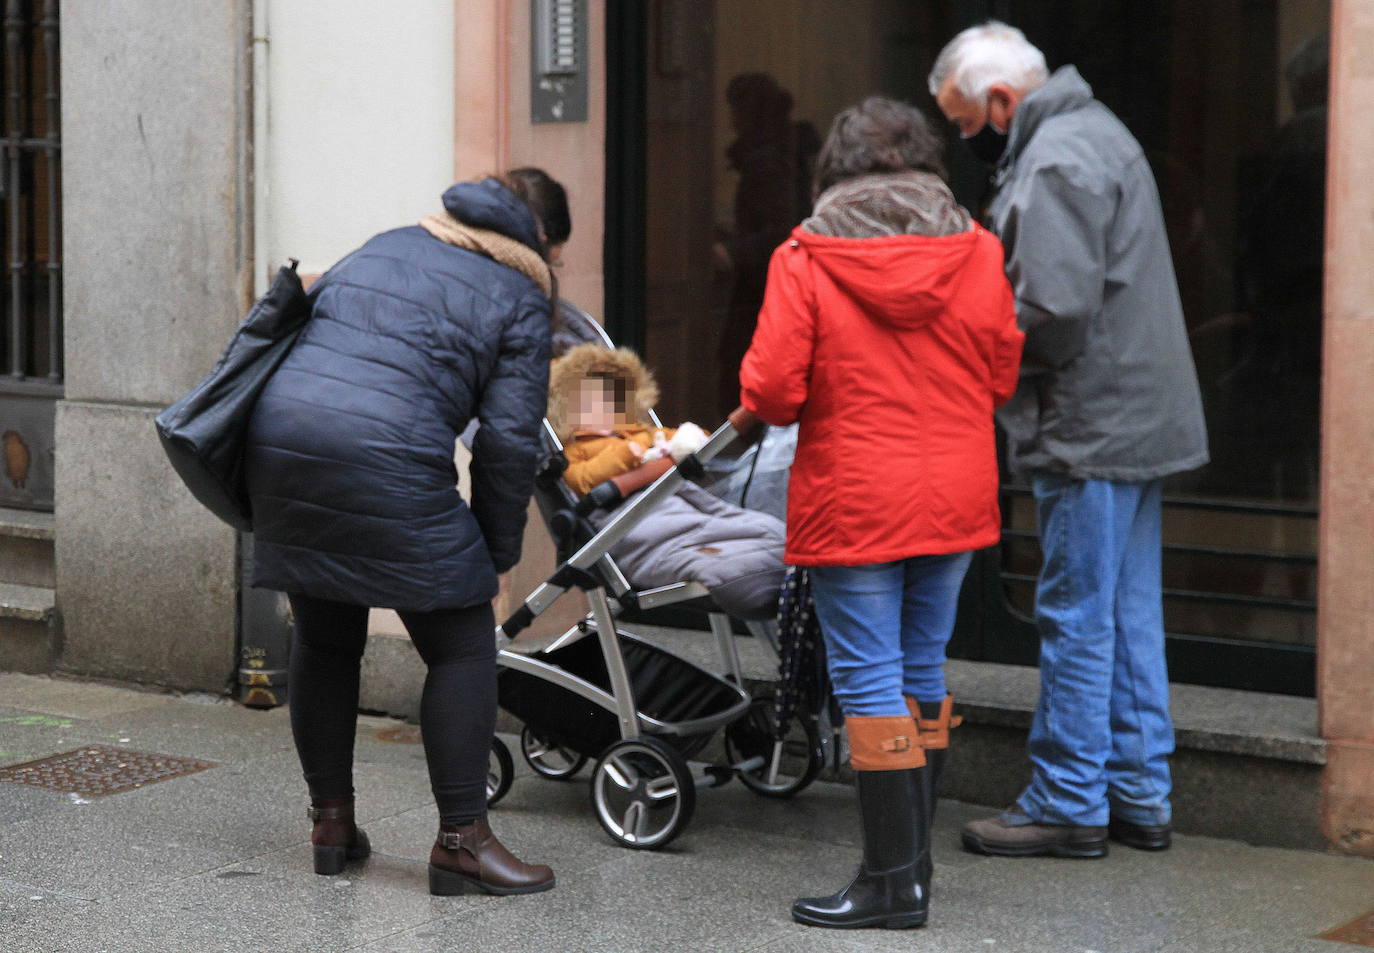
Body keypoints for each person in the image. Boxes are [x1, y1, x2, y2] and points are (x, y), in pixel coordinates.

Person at [244, 169, 569, 896]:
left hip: (285, 444)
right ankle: (462, 841)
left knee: (326, 636)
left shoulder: (387, 244)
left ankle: (331, 824)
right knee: (461, 644)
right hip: (379, 455)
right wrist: (494, 555)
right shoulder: (521, 291)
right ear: (542, 240)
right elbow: (510, 443)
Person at [739, 96, 1023, 929]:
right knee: (921, 670)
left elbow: (772, 392)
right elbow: (1003, 370)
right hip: (955, 490)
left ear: (838, 166)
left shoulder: (806, 255)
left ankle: (891, 884)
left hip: (856, 495)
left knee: (868, 680)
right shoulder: (977, 248)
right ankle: (915, 868)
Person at [929, 22, 1209, 857]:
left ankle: (1068, 799)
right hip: (1132, 415)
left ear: (1003, 103)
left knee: (1077, 614)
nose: (963, 140)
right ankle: (1137, 792)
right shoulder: (1097, 132)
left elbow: (1047, 313)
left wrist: (970, 360)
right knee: (1127, 610)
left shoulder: (1052, 161)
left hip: (1089, 422)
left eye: (964, 122)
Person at [549, 342, 786, 620]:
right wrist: (626, 454)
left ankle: (773, 551)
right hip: (626, 516)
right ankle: (738, 570)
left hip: (675, 500)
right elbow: (583, 480)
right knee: (677, 535)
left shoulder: (641, 433)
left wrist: (690, 438)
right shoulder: (576, 451)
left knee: (767, 527)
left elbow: (683, 441)